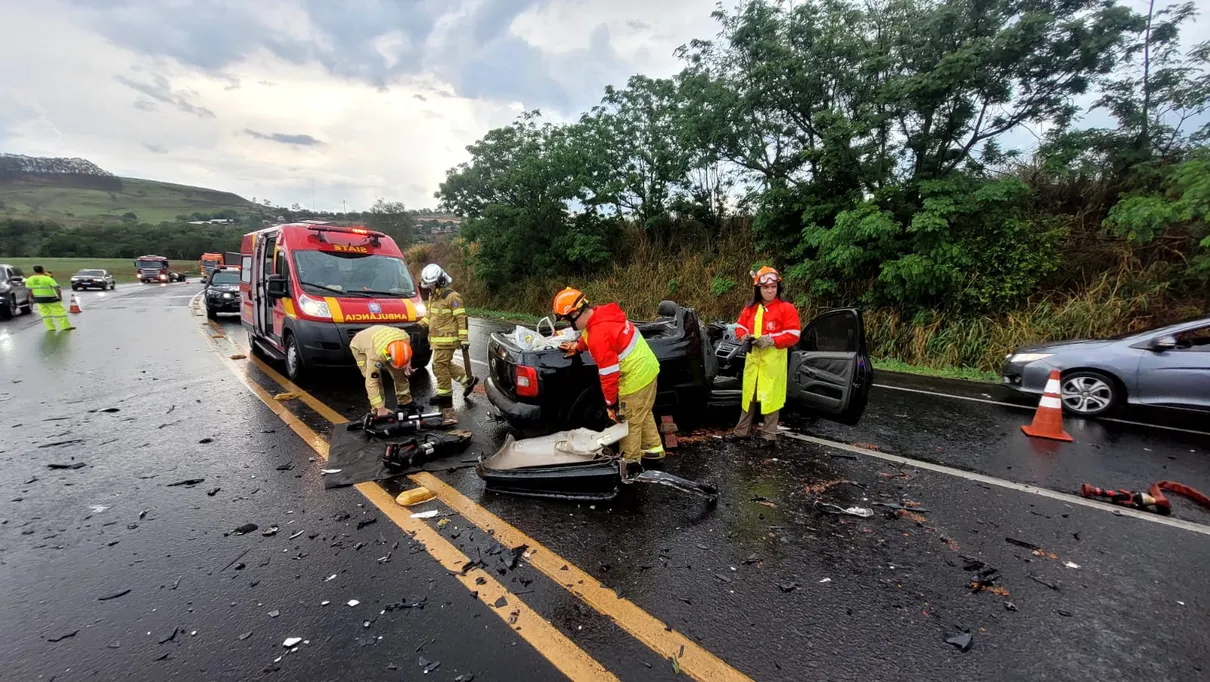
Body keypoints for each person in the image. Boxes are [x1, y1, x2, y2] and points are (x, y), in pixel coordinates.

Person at [554, 288, 664, 463]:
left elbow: (608, 374)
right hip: (648, 368)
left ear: (576, 313)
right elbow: (589, 333)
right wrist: (578, 347)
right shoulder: (601, 314)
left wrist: (610, 404)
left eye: (568, 320)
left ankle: (630, 464)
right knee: (641, 412)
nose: (568, 325)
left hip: (636, 377)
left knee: (629, 422)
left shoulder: (599, 336)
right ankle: (654, 449)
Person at [729, 266, 800, 442]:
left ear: (778, 288)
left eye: (773, 287)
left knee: (771, 399)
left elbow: (794, 335)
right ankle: (741, 432)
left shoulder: (787, 308)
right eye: (766, 287)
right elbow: (740, 326)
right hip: (753, 360)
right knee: (748, 397)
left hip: (773, 362)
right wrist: (744, 336)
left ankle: (769, 436)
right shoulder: (751, 308)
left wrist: (771, 340)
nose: (770, 290)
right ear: (758, 289)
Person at [418, 264, 478, 417]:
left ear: (439, 282)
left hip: (448, 340)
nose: (429, 288)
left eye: (431, 285)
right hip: (438, 340)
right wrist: (419, 326)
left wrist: (464, 339)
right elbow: (430, 316)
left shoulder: (452, 297)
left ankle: (444, 394)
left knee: (438, 364)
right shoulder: (433, 296)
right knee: (444, 364)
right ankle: (467, 380)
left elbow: (461, 319)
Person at [348, 325, 415, 418]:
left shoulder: (405, 337)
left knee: (400, 373)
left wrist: (407, 363)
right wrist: (380, 408)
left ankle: (405, 402)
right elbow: (371, 384)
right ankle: (377, 411)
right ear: (388, 357)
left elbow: (406, 353)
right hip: (360, 346)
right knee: (375, 379)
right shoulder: (375, 357)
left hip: (381, 339)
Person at [26, 265, 75, 332]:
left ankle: (50, 328)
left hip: (39, 300)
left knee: (45, 315)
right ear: (42, 270)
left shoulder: (29, 279)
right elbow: (57, 288)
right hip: (51, 299)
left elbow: (30, 291)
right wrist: (59, 297)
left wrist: (33, 298)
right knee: (60, 313)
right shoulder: (48, 278)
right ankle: (65, 326)